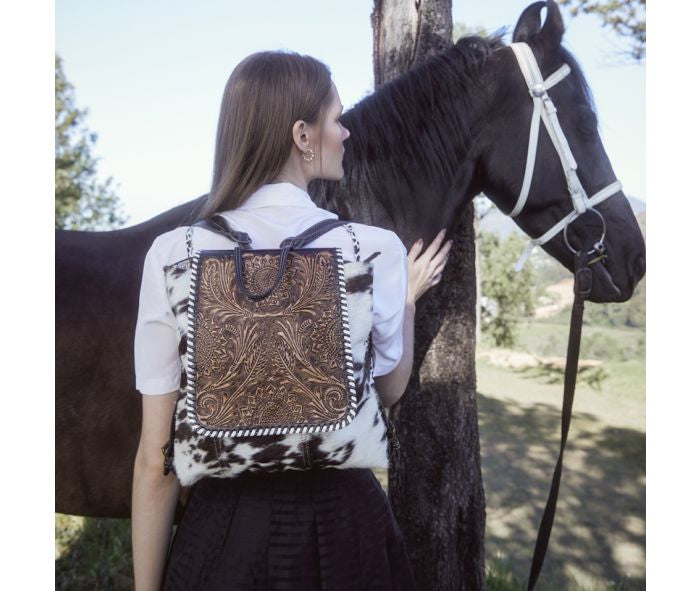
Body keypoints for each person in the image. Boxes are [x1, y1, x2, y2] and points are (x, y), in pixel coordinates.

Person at [131, 50, 452, 591]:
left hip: (222, 532)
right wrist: (408, 302)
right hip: (348, 532)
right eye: (336, 118)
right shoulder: (373, 250)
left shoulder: (173, 253)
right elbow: (389, 391)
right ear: (302, 135)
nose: (346, 133)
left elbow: (153, 460)